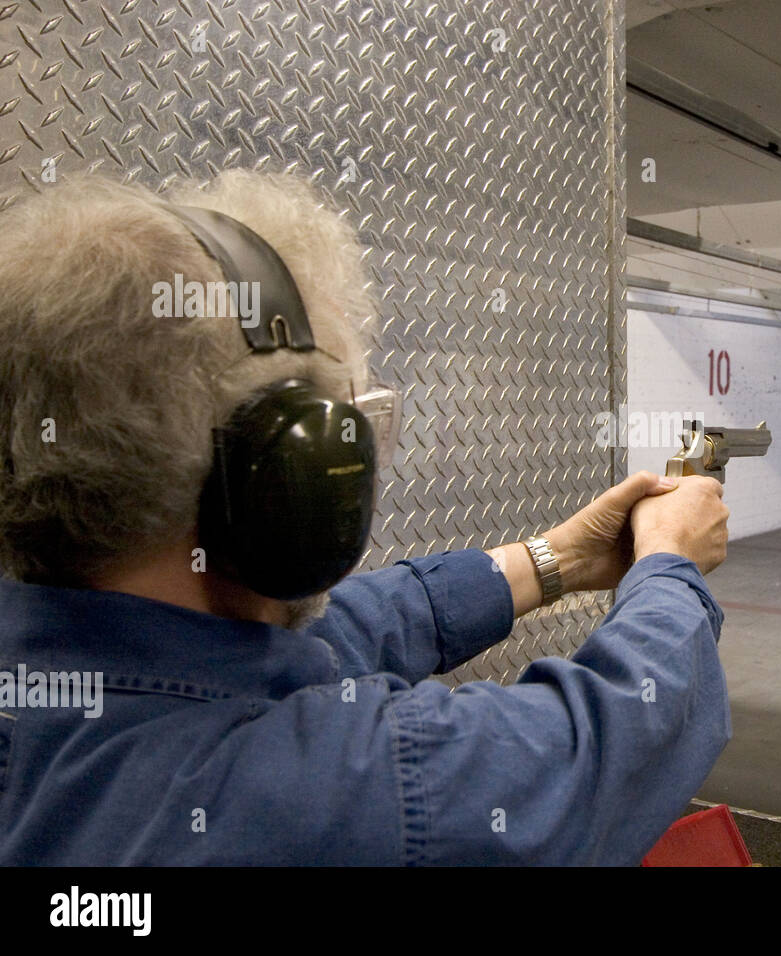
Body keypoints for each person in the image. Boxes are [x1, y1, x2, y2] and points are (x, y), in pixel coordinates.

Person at [0, 172, 732, 865]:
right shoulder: (338, 797)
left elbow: (317, 643)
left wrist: (554, 560)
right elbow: (612, 746)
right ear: (290, 476)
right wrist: (671, 566)